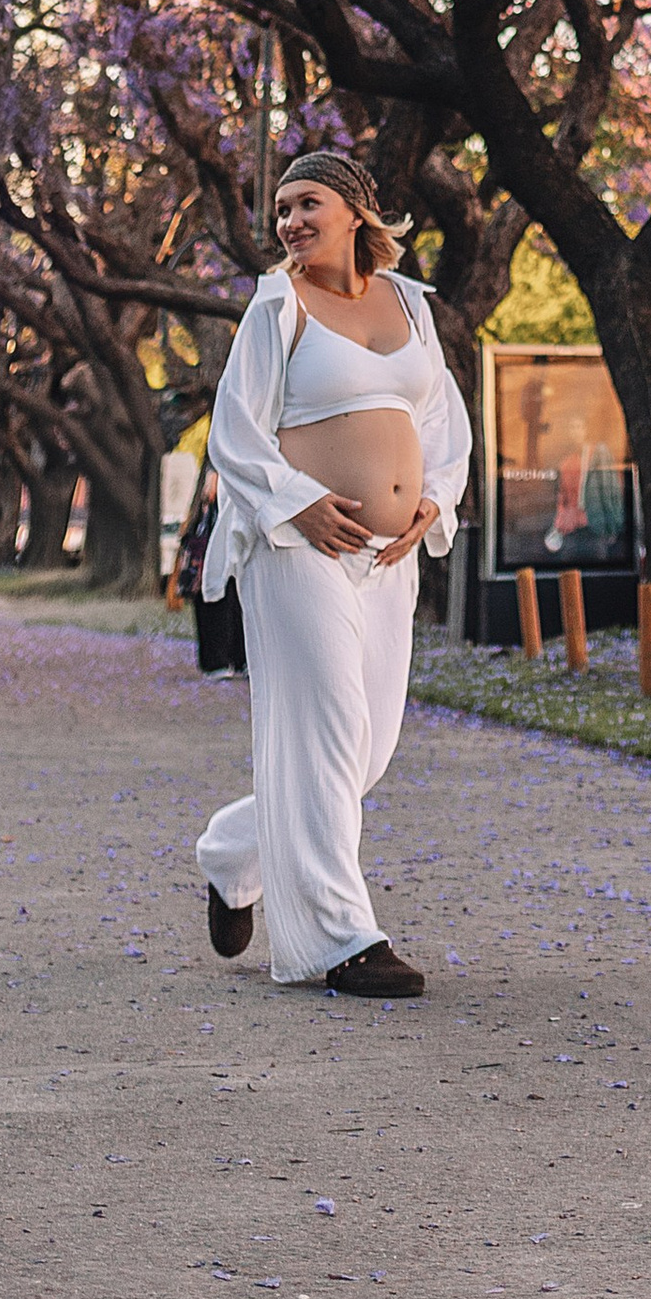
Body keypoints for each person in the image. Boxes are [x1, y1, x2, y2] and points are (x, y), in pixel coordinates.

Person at [194, 149, 471, 997]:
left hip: (387, 559)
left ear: (355, 210)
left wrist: (432, 500)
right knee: (324, 729)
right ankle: (342, 940)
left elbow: (441, 418)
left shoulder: (411, 306)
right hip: (297, 549)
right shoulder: (277, 304)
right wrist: (296, 503)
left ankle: (235, 852)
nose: (290, 221)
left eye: (306, 202)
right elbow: (233, 432)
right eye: (281, 209)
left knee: (368, 748)